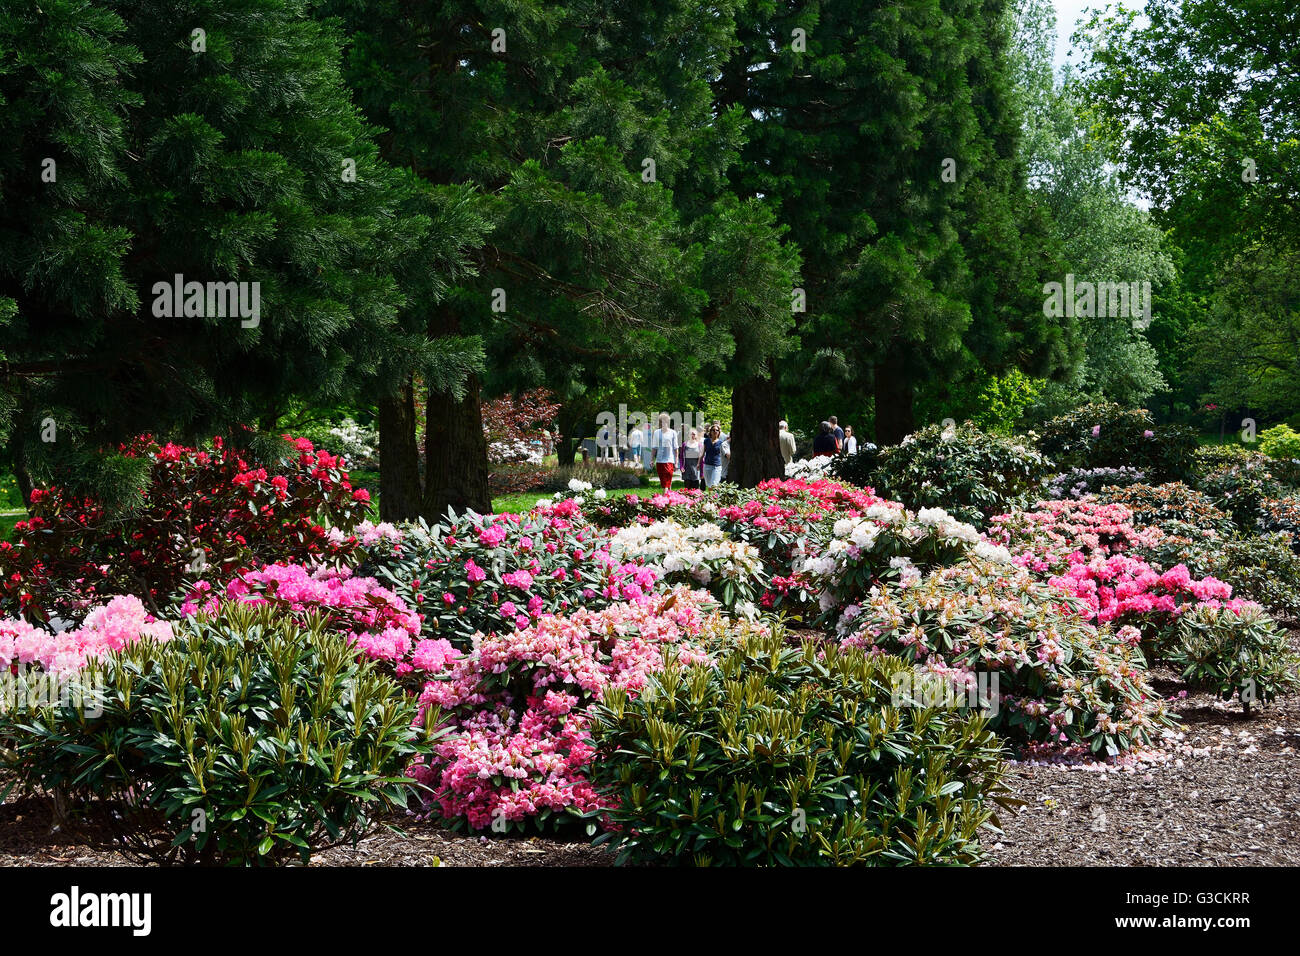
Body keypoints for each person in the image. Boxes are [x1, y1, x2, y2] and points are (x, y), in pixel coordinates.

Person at [651, 413, 679, 490]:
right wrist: (652, 460)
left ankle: (664, 500)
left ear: (667, 422)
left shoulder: (673, 433)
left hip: (669, 460)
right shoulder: (656, 432)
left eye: (662, 422)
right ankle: (670, 498)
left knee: (665, 483)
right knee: (665, 482)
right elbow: (654, 447)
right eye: (660, 422)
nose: (661, 424)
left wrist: (676, 462)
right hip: (659, 460)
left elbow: (676, 448)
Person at [702, 423, 724, 488]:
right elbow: (703, 452)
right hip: (707, 465)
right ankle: (711, 497)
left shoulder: (721, 443)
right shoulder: (706, 441)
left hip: (717, 466)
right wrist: (699, 463)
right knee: (709, 485)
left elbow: (723, 455)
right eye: (713, 430)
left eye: (717, 430)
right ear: (710, 432)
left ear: (719, 432)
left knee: (714, 485)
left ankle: (713, 497)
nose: (715, 431)